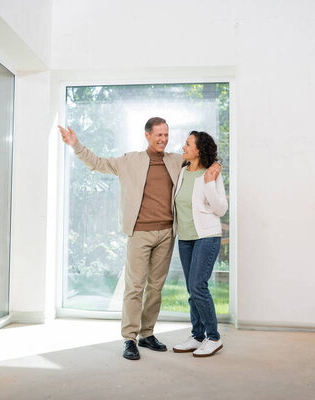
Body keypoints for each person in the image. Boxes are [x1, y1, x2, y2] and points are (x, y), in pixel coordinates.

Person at [58, 118, 220, 361]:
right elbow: (98, 163)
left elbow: (203, 157)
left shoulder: (177, 161)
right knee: (134, 288)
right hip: (139, 233)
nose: (163, 139)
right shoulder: (130, 160)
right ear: (147, 135)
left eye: (166, 135)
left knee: (155, 288)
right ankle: (130, 338)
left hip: (166, 233)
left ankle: (147, 334)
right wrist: (75, 144)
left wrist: (217, 164)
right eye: (158, 135)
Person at [171, 131, 228, 357]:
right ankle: (197, 335)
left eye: (187, 144)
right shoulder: (183, 172)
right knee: (191, 290)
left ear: (198, 149)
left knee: (198, 286)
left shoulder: (211, 173)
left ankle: (213, 337)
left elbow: (221, 209)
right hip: (185, 238)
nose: (183, 147)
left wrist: (209, 183)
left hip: (206, 236)